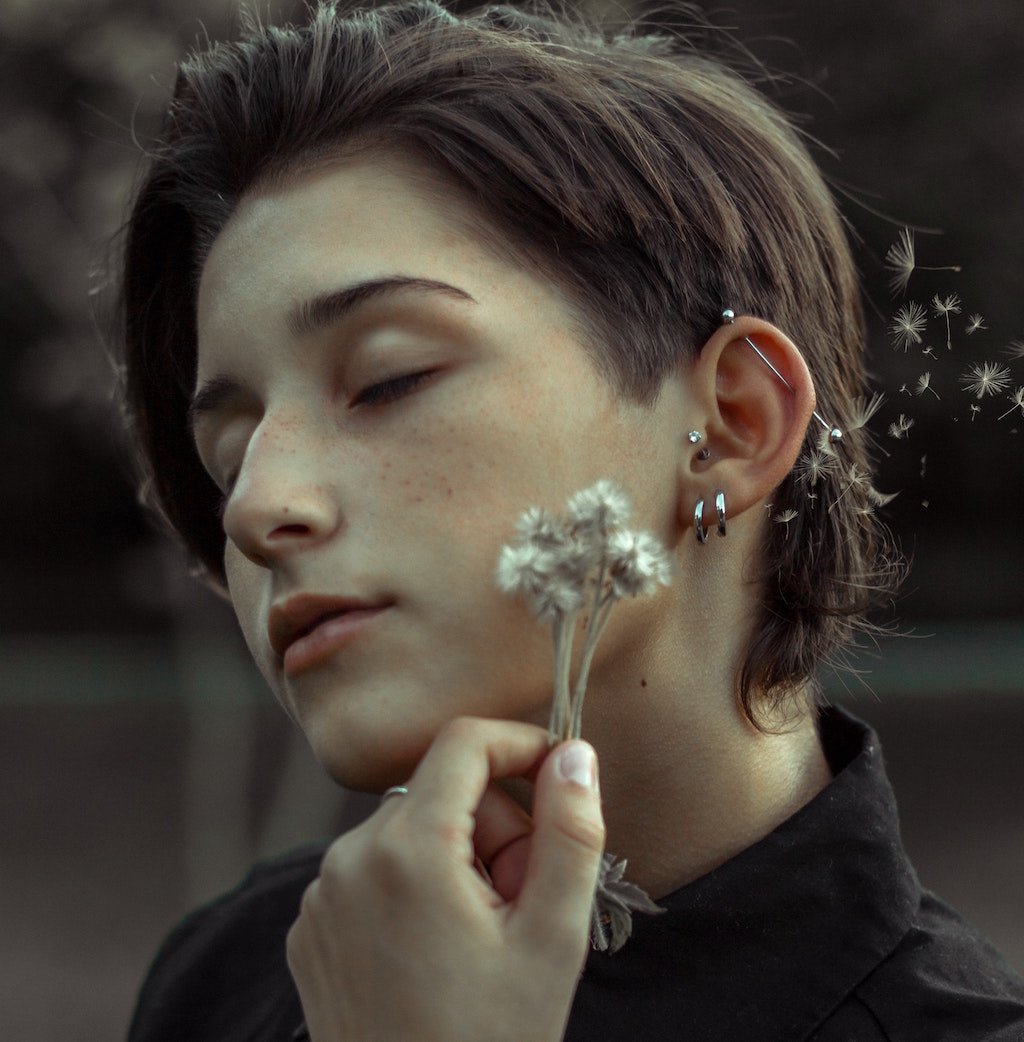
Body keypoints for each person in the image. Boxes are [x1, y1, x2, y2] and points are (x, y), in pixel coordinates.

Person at [115, 1, 1024, 1039]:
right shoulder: (227, 979)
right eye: (227, 456)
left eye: (387, 379)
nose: (257, 508)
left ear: (731, 423)